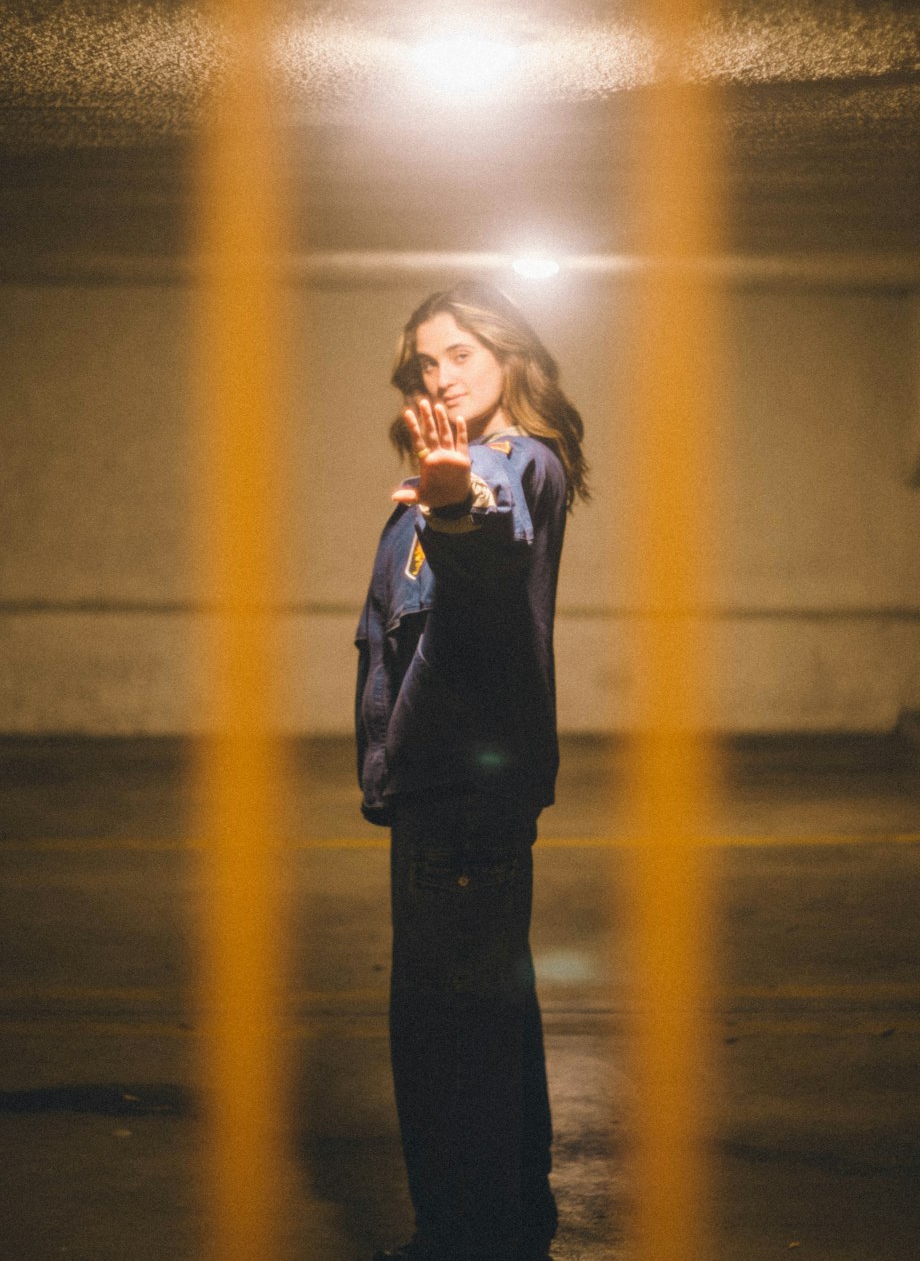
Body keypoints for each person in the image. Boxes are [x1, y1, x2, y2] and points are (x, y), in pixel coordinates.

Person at [354, 281, 589, 1261]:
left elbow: (492, 551)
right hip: (461, 787)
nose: (438, 375)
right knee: (488, 1016)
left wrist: (453, 510)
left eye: (458, 355)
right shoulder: (468, 464)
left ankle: (457, 1238)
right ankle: (509, 1224)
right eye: (423, 364)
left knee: (441, 1036)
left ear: (509, 356)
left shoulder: (509, 464)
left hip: (456, 791)